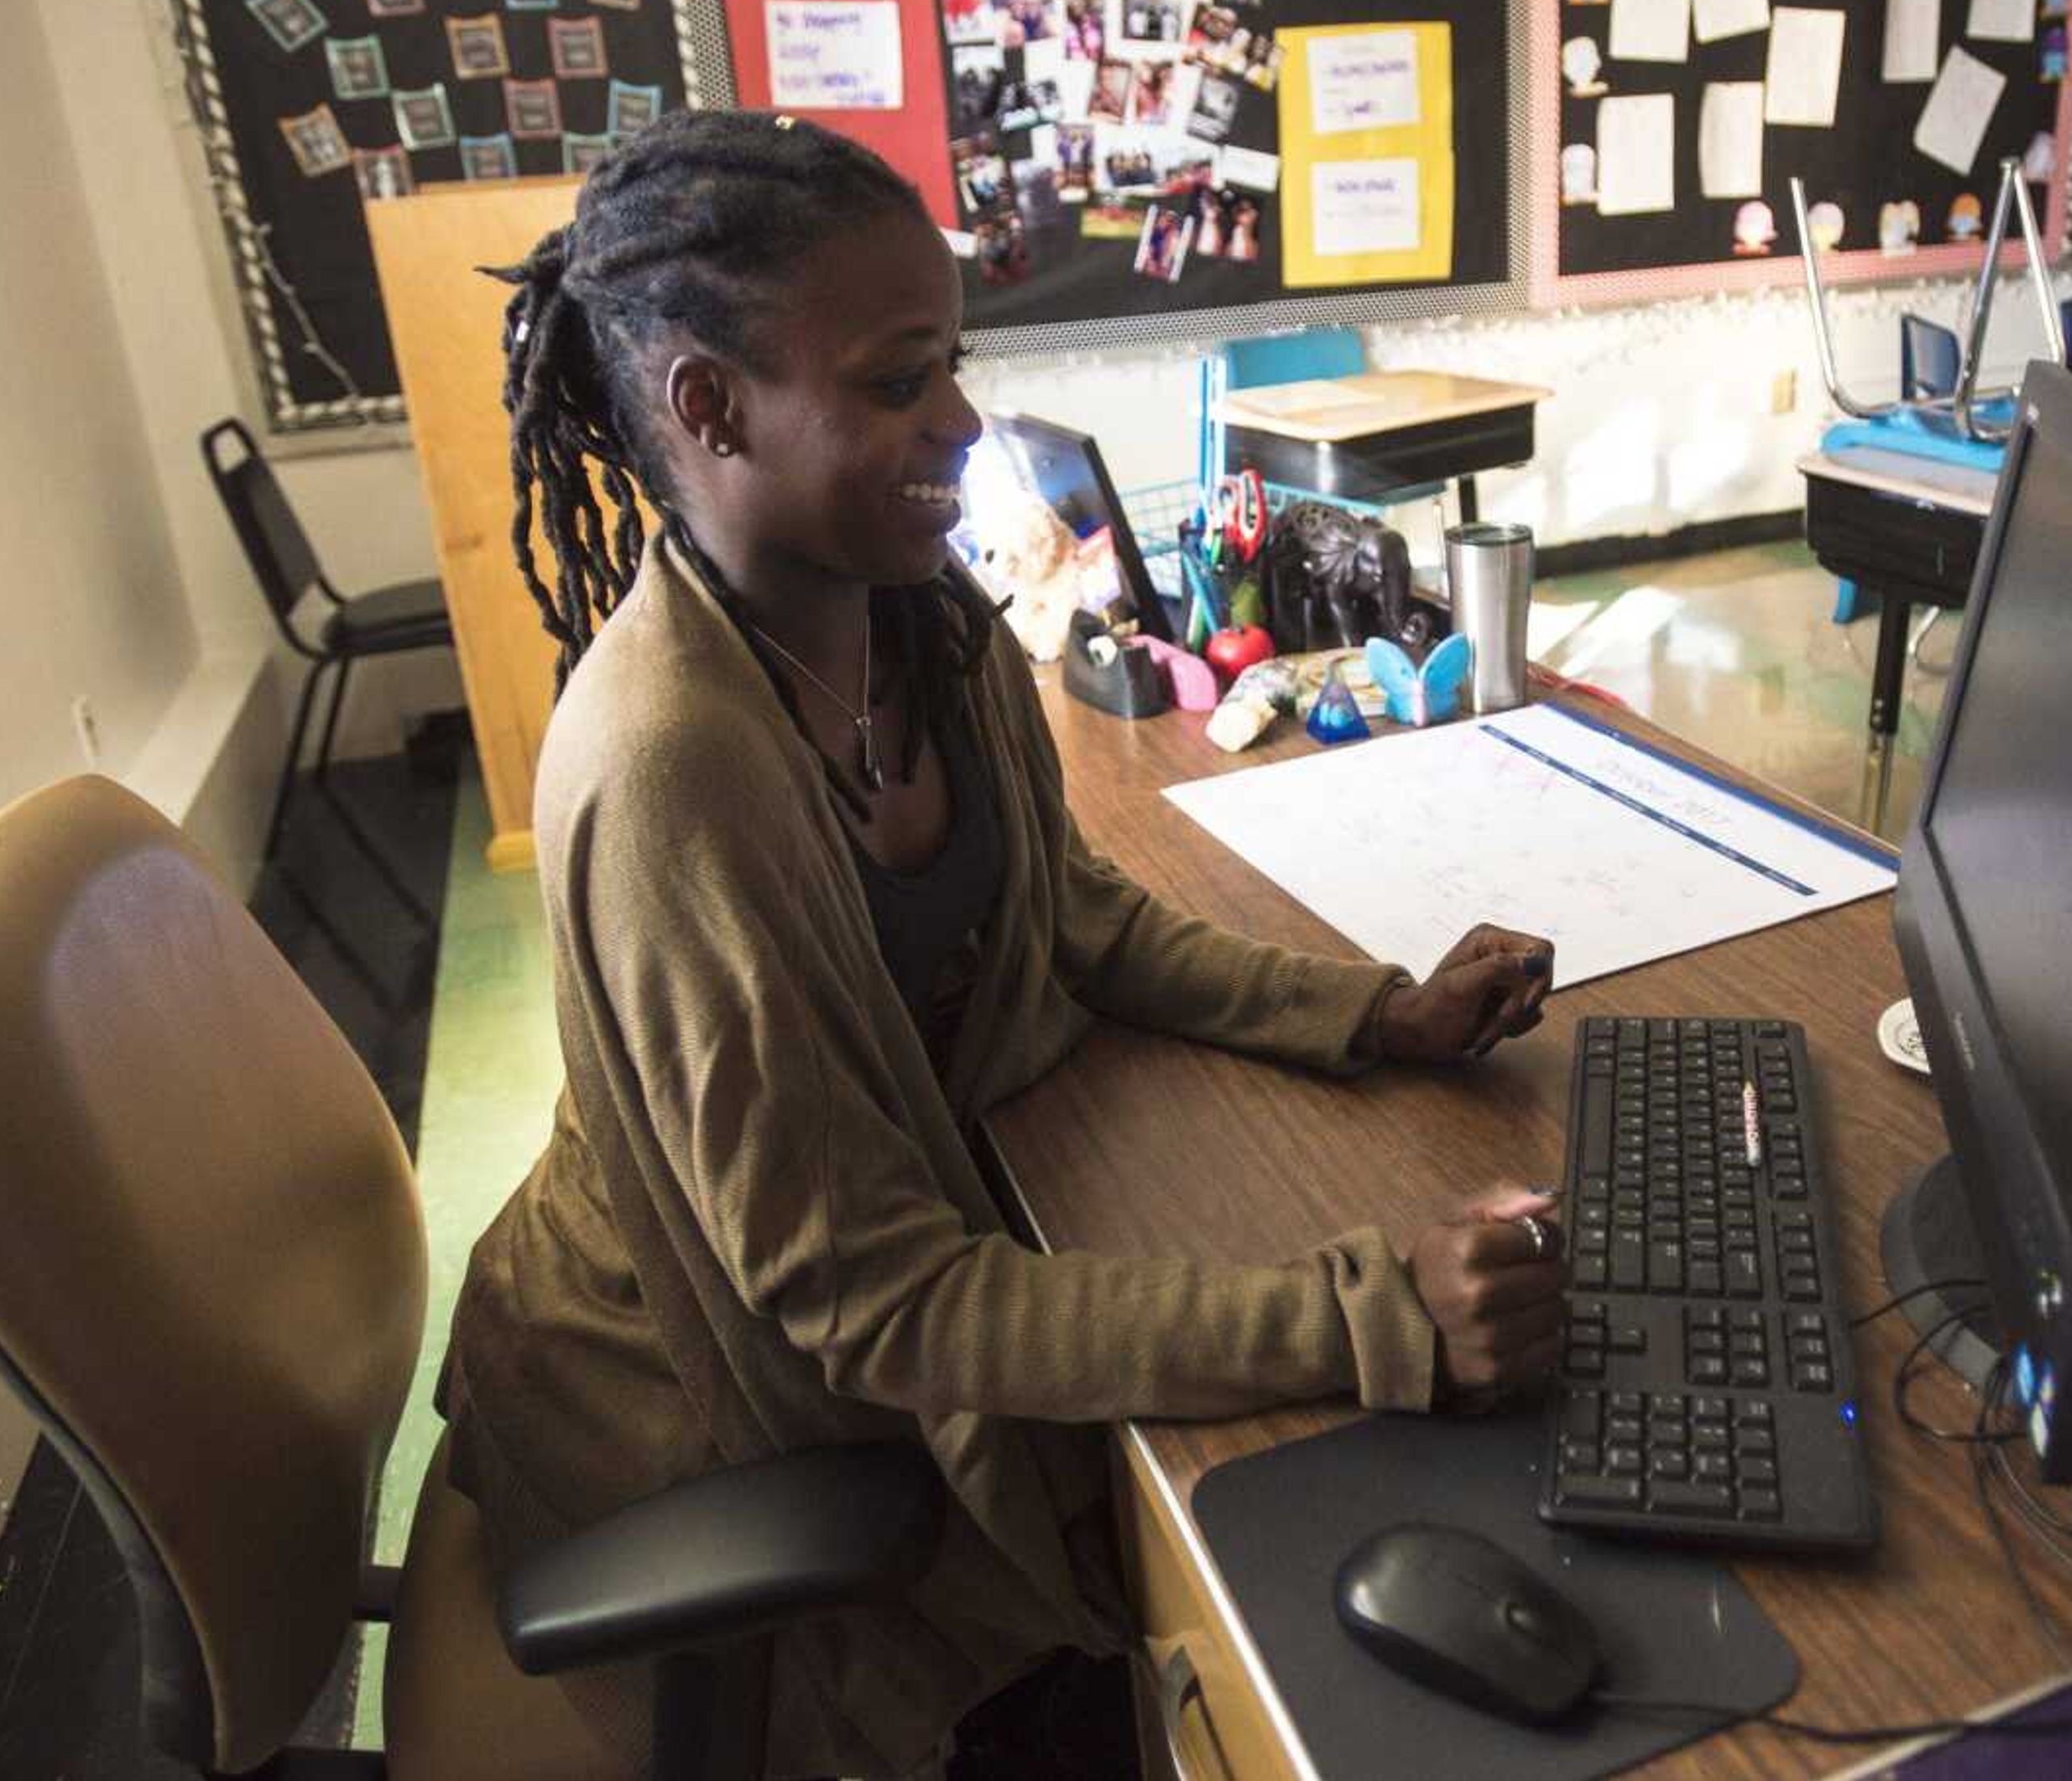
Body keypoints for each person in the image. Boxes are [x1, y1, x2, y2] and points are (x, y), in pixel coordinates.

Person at [441, 108, 1562, 1778]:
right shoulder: (671, 767)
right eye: (900, 382)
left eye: (954, 363)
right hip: (687, 1403)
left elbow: (1071, 918)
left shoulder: (927, 617)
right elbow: (874, 1303)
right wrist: (1360, 1316)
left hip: (847, 1277)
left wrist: (1372, 1013)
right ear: (708, 406)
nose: (962, 421)